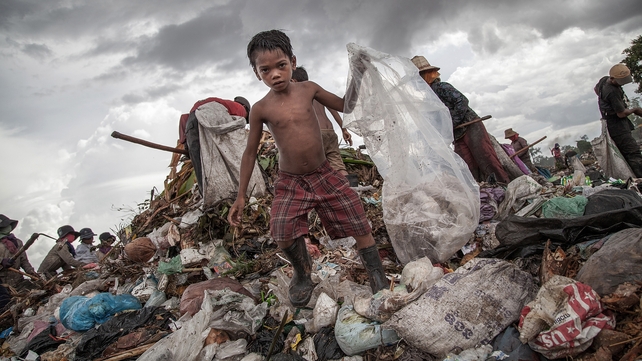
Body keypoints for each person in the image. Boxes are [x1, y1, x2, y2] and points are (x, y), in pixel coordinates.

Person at [228, 29, 386, 307]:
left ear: (292, 61)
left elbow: (346, 105)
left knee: (359, 221)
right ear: (257, 73)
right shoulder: (261, 109)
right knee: (281, 230)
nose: (275, 74)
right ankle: (302, 273)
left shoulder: (308, 89)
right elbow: (250, 153)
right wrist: (241, 196)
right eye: (266, 70)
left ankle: (377, 274)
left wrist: (358, 74)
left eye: (281, 66)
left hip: (324, 172)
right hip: (291, 181)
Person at [411, 56, 510, 183]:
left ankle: (504, 185)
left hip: (470, 126)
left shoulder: (441, 87)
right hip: (457, 135)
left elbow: (462, 101)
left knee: (486, 159)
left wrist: (452, 121)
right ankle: (483, 191)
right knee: (467, 166)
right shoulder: (428, 99)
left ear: (426, 75)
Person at [179, 96, 252, 194]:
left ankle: (207, 196)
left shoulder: (221, 104)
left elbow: (184, 118)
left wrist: (186, 144)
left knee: (199, 164)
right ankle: (228, 193)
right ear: (245, 107)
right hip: (208, 119)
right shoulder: (240, 108)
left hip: (192, 121)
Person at [291, 66, 353, 177]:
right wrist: (344, 129)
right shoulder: (317, 91)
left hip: (316, 135)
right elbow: (334, 110)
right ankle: (348, 190)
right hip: (330, 132)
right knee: (338, 166)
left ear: (293, 81)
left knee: (314, 168)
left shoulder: (297, 94)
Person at [595, 63, 642, 177]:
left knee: (626, 153)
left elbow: (596, 89)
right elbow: (621, 114)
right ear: (612, 78)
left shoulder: (603, 81)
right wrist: (635, 110)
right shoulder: (612, 92)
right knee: (633, 153)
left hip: (610, 123)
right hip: (618, 126)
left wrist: (604, 102)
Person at [0, 214, 37, 289]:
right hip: (2, 283)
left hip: (18, 280)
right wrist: (2, 261)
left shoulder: (17, 242)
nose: (8, 227)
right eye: (5, 226)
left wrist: (31, 272)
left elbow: (24, 261)